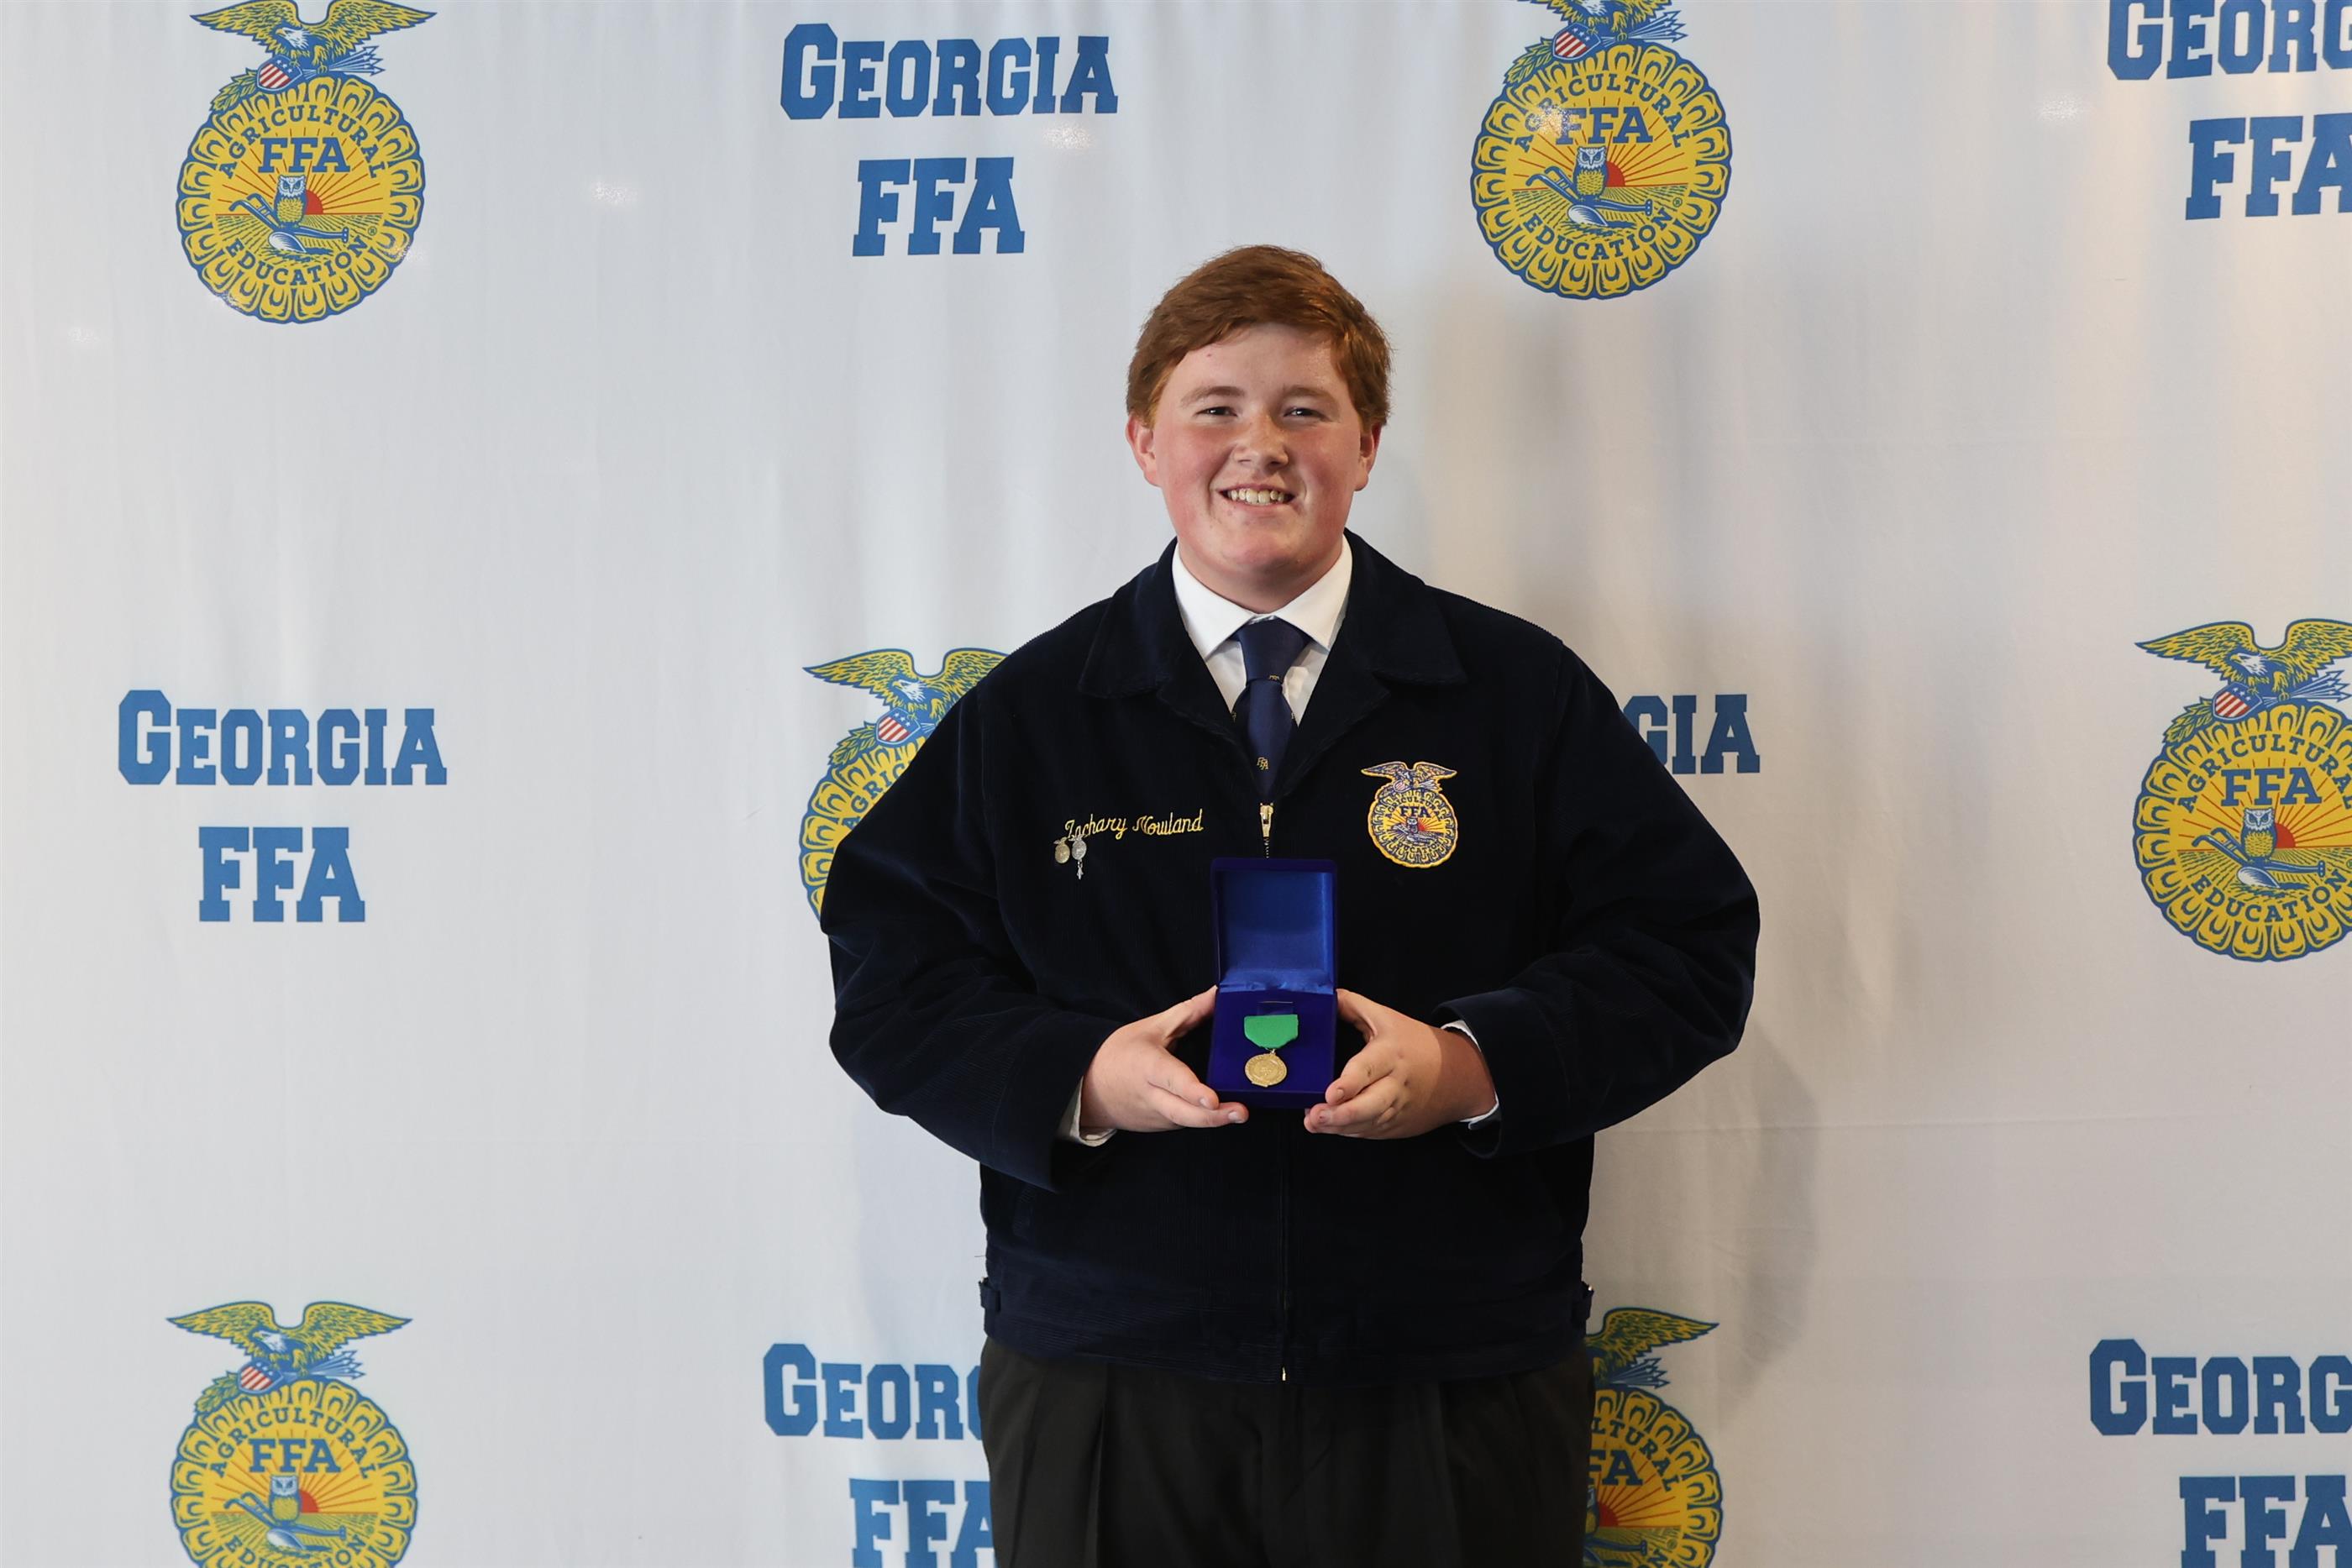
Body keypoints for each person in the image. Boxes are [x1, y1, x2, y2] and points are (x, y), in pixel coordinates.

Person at [822, 245, 1757, 1567]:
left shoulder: (1515, 693)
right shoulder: (1029, 717)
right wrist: (1081, 1077)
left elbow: (1685, 946)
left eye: (1304, 409)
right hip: (1114, 1374)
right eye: (1215, 407)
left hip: (1449, 1369)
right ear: (1145, 442)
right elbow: (895, 980)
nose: (1259, 444)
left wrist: (1468, 1066)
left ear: (1366, 445)